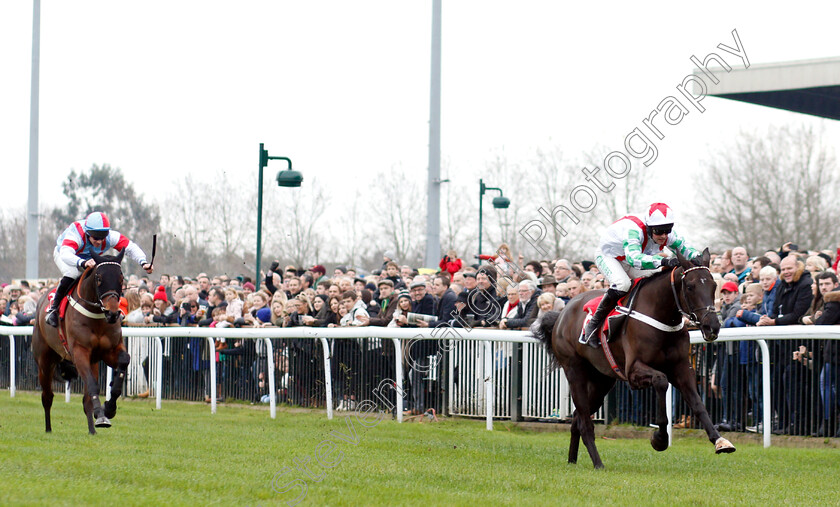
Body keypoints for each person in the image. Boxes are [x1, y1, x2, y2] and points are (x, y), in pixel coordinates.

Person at [582, 202, 702, 347]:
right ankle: (592, 325)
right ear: (649, 227)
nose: (664, 235)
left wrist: (698, 256)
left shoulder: (667, 234)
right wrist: (664, 260)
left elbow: (685, 248)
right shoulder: (634, 230)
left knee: (661, 275)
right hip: (610, 257)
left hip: (629, 259)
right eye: (659, 231)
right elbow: (634, 258)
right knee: (622, 284)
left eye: (667, 230)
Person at [46, 211, 153, 327]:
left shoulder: (111, 236)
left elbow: (130, 247)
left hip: (88, 258)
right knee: (72, 273)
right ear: (87, 233)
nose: (99, 241)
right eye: (96, 238)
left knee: (102, 275)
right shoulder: (76, 234)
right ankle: (53, 308)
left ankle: (109, 309)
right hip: (65, 254)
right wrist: (82, 262)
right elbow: (66, 254)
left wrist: (143, 262)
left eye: (102, 238)